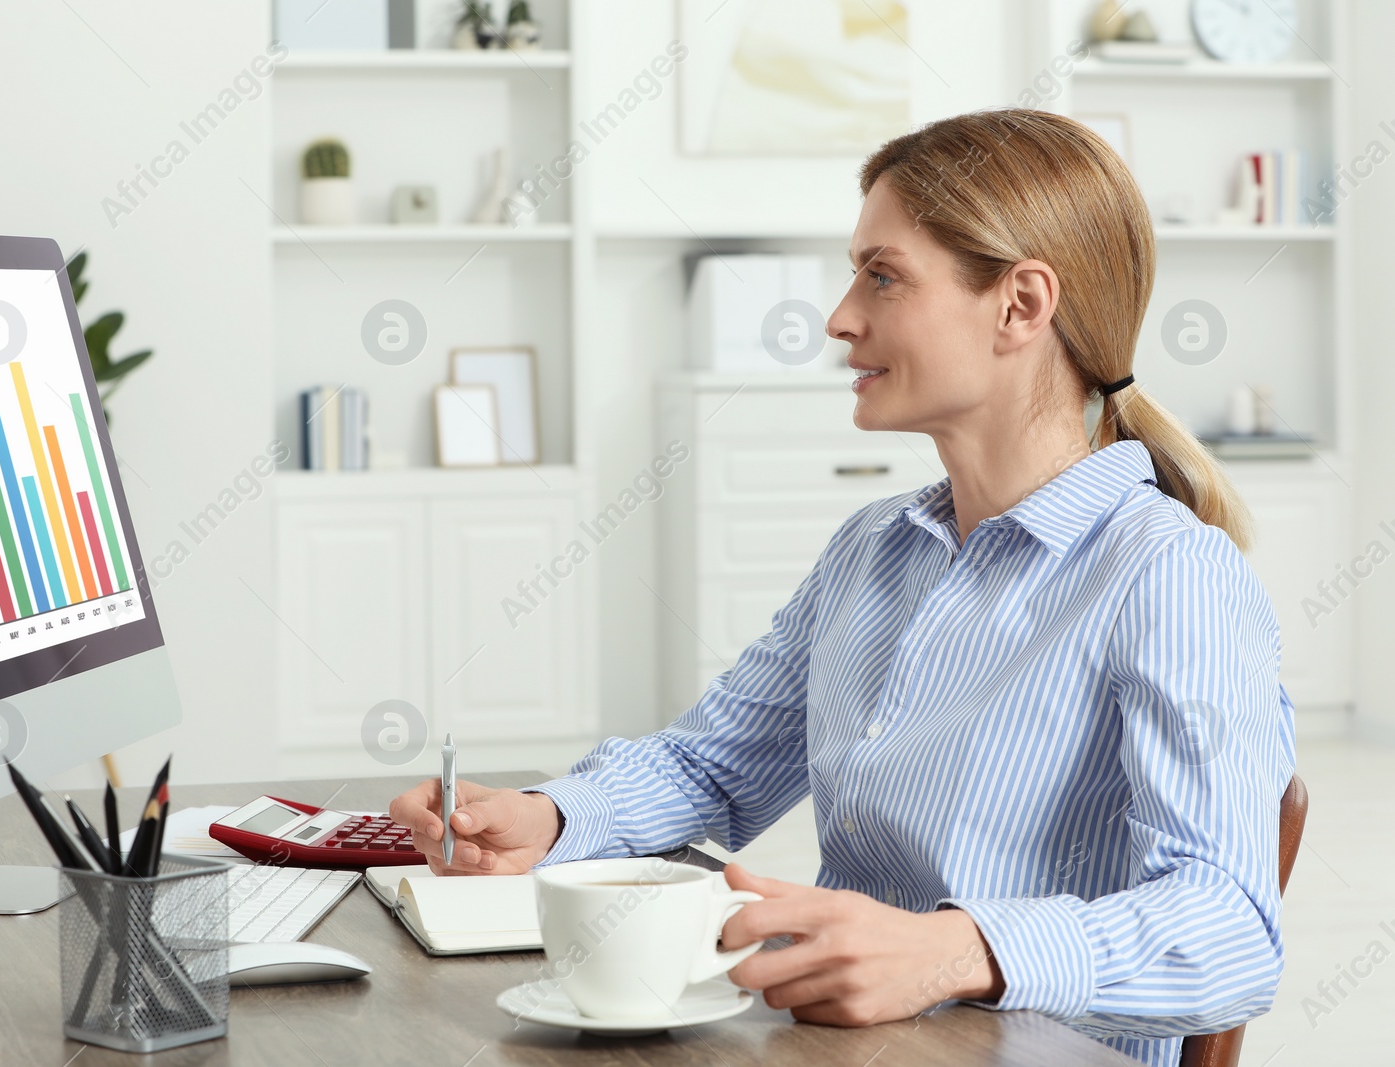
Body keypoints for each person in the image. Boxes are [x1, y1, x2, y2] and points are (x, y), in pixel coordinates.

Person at [389, 109, 1294, 1067]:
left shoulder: (1170, 572)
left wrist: (958, 951)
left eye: (883, 275)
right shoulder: (875, 547)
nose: (839, 317)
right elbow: (712, 764)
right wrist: (554, 817)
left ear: (1021, 306)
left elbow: (1229, 930)